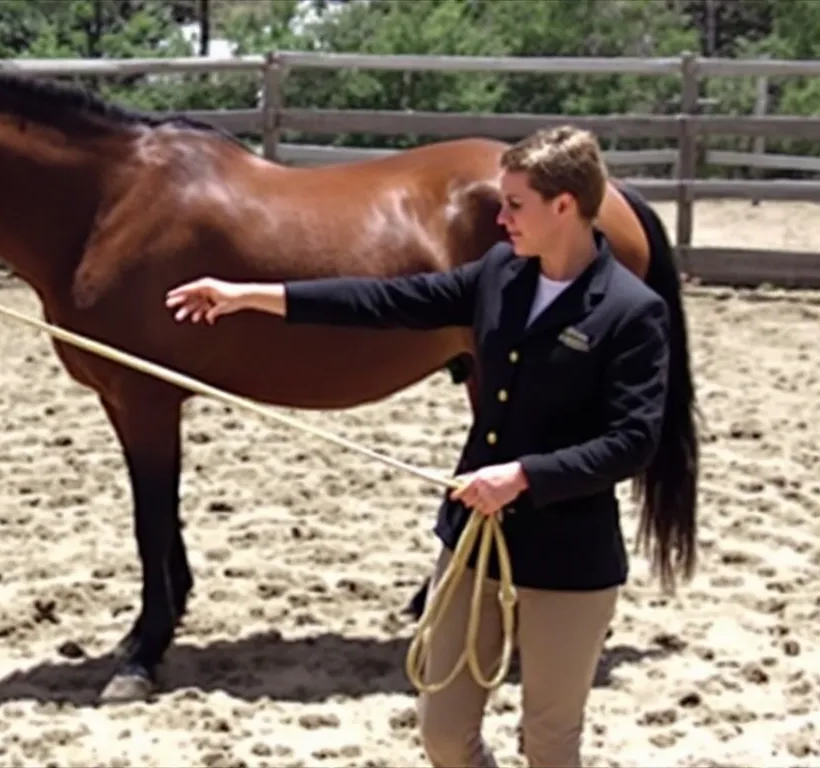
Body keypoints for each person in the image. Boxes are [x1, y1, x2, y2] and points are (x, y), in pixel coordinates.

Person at [163, 125, 699, 767]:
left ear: (564, 206)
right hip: (472, 543)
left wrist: (522, 477)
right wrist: (252, 296)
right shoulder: (501, 274)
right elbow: (385, 299)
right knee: (444, 733)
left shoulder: (631, 311)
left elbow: (633, 441)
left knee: (549, 743)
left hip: (569, 558)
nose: (501, 219)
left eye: (515, 205)